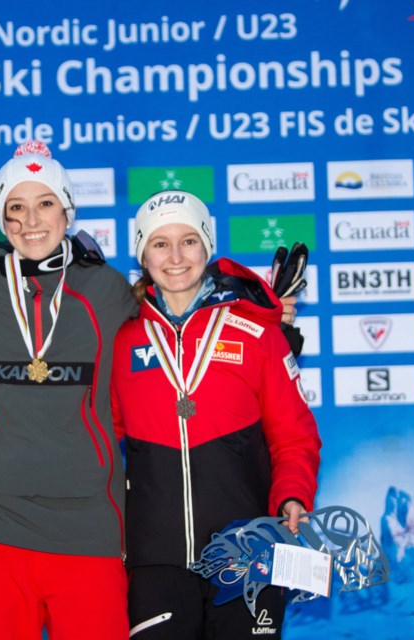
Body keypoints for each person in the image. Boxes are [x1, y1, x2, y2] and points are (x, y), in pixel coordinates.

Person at [0, 141, 135, 640]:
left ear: (67, 212)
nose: (31, 220)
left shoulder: (107, 288)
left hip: (88, 522)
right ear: (2, 220)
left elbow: (180, 320)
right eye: (15, 207)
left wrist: (273, 320)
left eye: (45, 203)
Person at [110, 190, 322, 640]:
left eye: (188, 240)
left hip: (249, 551)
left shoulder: (257, 332)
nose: (175, 257)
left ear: (207, 246)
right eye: (159, 243)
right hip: (155, 561)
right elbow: (97, 436)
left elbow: (295, 435)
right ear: (143, 254)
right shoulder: (122, 339)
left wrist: (292, 496)